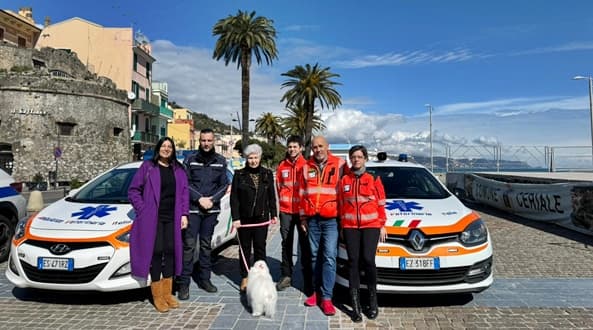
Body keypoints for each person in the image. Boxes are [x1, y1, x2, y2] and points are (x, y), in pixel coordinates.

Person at [128, 137, 189, 313]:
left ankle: (168, 293)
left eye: (170, 146)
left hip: (173, 217)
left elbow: (184, 194)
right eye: (163, 146)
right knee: (156, 252)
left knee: (170, 252)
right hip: (152, 218)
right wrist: (143, 209)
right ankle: (157, 296)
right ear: (158, 148)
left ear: (173, 150)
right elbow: (133, 191)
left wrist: (184, 214)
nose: (166, 149)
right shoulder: (148, 167)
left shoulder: (178, 169)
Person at [177, 128, 230, 299]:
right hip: (193, 209)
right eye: (203, 140)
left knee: (206, 246)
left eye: (209, 140)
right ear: (199, 141)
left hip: (211, 211)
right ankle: (184, 284)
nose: (206, 144)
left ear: (213, 141)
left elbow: (224, 185)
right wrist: (199, 199)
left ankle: (205, 280)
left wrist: (211, 200)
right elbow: (185, 183)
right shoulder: (190, 160)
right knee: (189, 247)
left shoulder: (221, 161)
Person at [299, 136, 348, 316]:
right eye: (314, 147)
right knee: (313, 257)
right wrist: (303, 218)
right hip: (312, 220)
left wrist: (345, 220)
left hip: (331, 221)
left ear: (328, 147)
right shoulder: (306, 167)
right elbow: (302, 193)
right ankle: (315, 293)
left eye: (320, 146)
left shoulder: (340, 165)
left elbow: (348, 191)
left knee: (329, 257)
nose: (317, 150)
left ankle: (327, 297)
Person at [338, 145, 387, 322]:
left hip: (371, 226)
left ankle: (373, 301)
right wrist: (343, 226)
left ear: (365, 158)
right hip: (350, 227)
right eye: (353, 157)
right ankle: (355, 306)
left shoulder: (374, 179)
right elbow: (341, 206)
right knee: (353, 262)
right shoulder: (344, 181)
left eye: (359, 157)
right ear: (350, 159)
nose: (356, 160)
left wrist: (382, 224)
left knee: (368, 260)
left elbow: (381, 204)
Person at [230, 143, 278, 292]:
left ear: (260, 157)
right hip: (244, 220)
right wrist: (236, 218)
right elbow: (234, 199)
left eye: (256, 157)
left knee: (260, 248)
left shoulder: (267, 174)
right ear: (246, 158)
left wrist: (274, 214)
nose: (253, 161)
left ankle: (259, 277)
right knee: (244, 249)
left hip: (261, 218)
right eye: (250, 158)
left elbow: (271, 196)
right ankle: (245, 276)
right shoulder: (239, 175)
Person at [276, 136, 313, 294]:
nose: (292, 149)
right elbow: (279, 187)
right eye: (289, 147)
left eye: (295, 147)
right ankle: (286, 275)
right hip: (286, 212)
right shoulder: (282, 166)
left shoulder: (307, 165)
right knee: (286, 243)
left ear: (301, 148)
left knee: (305, 245)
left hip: (302, 212)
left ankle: (307, 278)